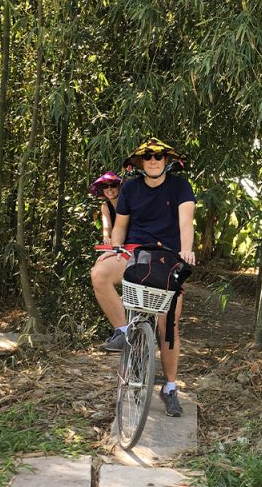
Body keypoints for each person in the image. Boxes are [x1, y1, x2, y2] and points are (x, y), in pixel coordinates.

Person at [90, 137, 196, 417]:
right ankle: (124, 331)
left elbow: (186, 220)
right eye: (147, 156)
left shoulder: (180, 185)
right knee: (99, 273)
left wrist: (186, 251)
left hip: (168, 256)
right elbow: (120, 226)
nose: (153, 160)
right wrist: (116, 250)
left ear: (166, 161)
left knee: (168, 326)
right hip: (135, 254)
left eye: (158, 156)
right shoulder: (131, 188)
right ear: (140, 162)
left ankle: (170, 388)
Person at [88, 171, 122, 244]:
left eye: (113, 185)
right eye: (105, 186)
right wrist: (106, 237)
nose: (109, 189)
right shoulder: (105, 206)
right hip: (117, 242)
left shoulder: (128, 202)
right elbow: (107, 226)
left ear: (119, 187)